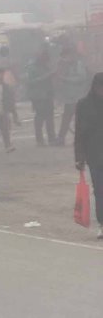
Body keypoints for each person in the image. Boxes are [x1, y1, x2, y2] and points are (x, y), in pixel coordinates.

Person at [74, 72, 103, 240]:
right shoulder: (84, 105)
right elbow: (79, 133)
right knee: (100, 190)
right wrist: (79, 157)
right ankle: (102, 223)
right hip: (95, 155)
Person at [55, 46, 87, 146]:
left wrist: (65, 79)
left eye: (66, 56)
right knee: (66, 119)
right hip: (69, 98)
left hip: (77, 97)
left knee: (76, 119)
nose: (65, 59)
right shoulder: (64, 65)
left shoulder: (78, 64)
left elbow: (81, 77)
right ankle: (61, 139)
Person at [26, 45, 56, 146]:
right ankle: (39, 139)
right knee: (40, 117)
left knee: (50, 117)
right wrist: (46, 76)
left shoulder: (46, 65)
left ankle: (51, 138)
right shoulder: (32, 67)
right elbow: (31, 81)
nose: (46, 60)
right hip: (38, 96)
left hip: (47, 94)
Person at [0, 46, 21, 126]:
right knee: (12, 101)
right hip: (10, 80)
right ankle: (15, 118)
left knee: (4, 101)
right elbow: (14, 71)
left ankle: (7, 120)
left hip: (2, 81)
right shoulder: (11, 61)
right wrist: (18, 79)